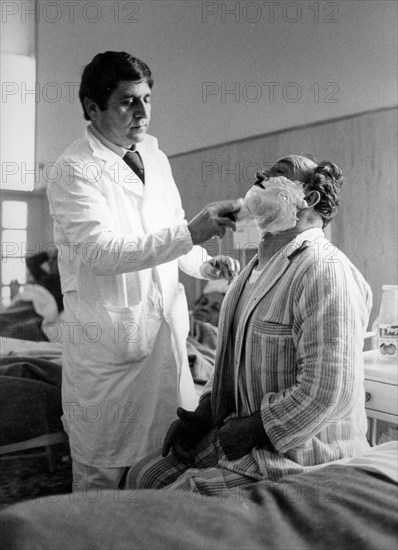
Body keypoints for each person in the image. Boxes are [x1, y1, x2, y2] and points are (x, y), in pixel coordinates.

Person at [46, 51, 241, 490]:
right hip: (110, 349)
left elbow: (170, 234)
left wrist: (202, 263)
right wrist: (191, 234)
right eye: (127, 101)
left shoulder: (155, 159)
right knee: (103, 474)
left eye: (148, 99)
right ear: (92, 108)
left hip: (162, 342)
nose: (142, 112)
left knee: (159, 467)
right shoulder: (74, 169)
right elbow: (103, 252)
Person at [126, 158, 373, 496]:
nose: (261, 179)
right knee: (144, 476)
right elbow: (230, 363)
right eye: (260, 175)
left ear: (309, 198)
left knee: (172, 500)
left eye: (278, 173)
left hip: (299, 457)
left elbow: (328, 390)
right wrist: (203, 414)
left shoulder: (325, 270)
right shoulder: (249, 274)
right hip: (243, 440)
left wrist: (255, 429)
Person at [187, 279, 228, 385]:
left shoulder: (224, 341)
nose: (205, 308)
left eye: (215, 308)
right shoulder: (179, 320)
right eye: (203, 302)